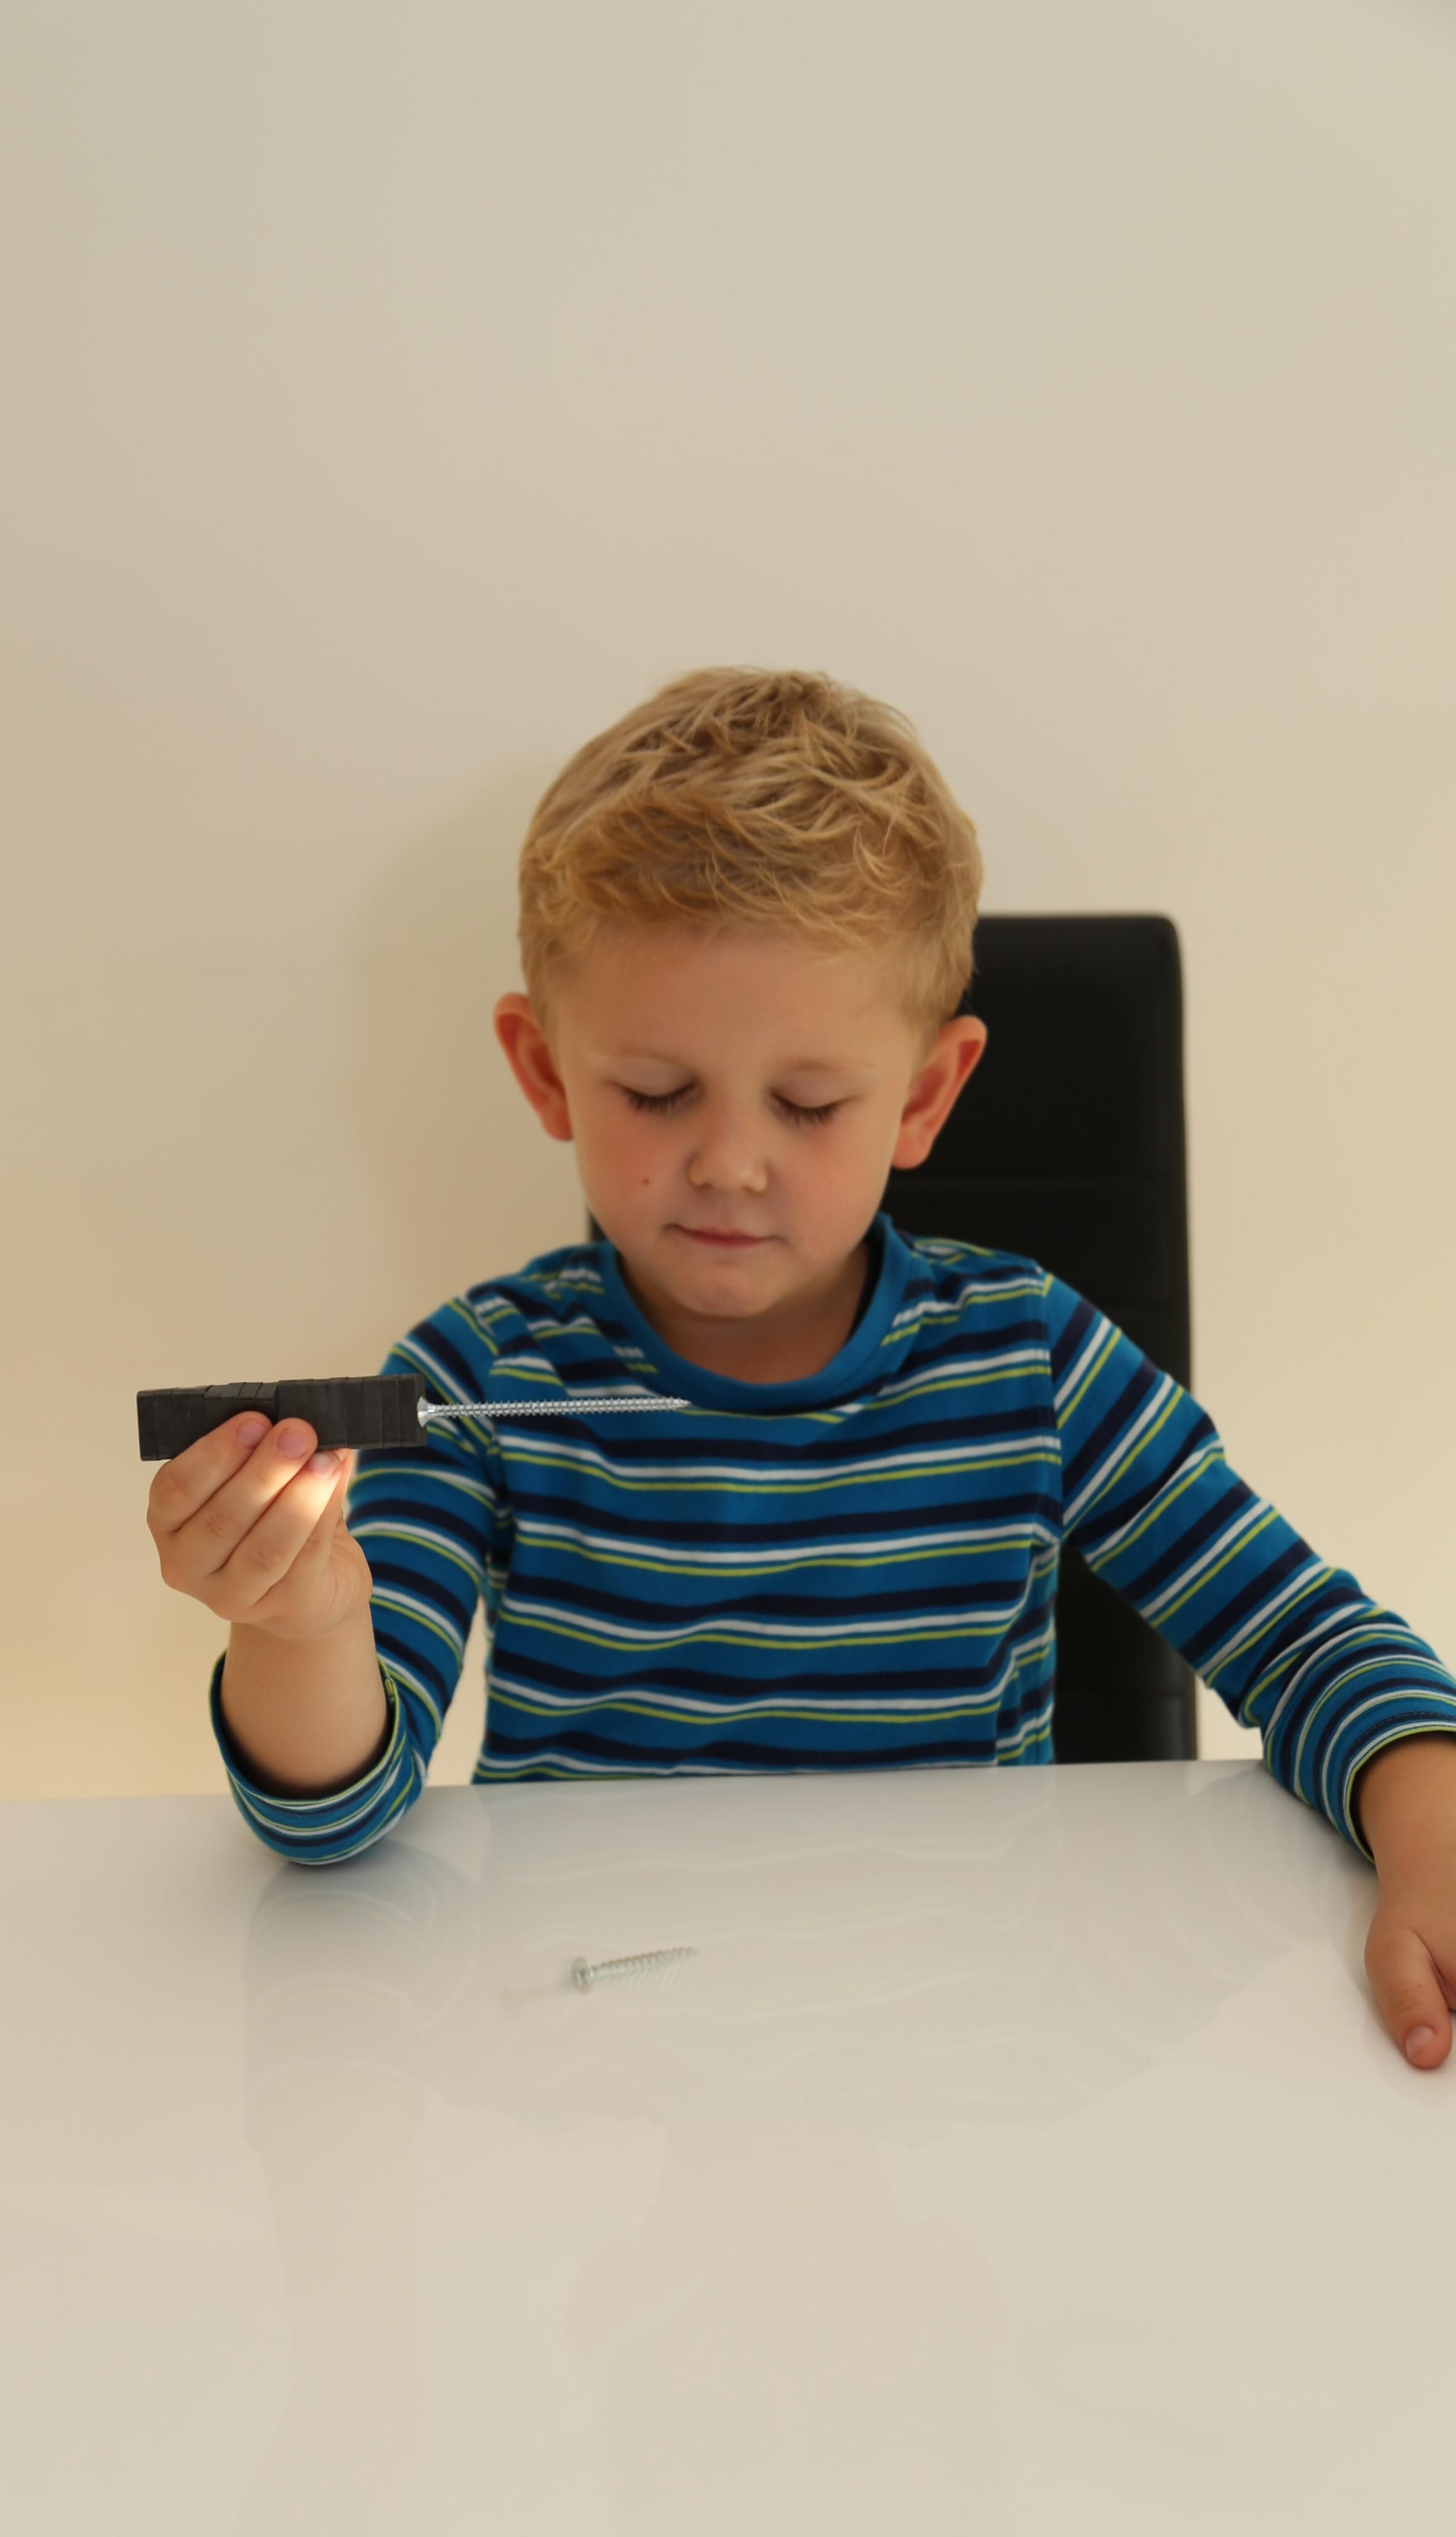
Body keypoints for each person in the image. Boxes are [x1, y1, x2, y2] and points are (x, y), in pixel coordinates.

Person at [146, 666, 1456, 2070]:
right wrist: (299, 1623)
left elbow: (1306, 1642)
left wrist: (1435, 1847)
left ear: (925, 1095)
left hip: (955, 2052)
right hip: (598, 2050)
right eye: (656, 1092)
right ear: (544, 1070)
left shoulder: (1035, 1361)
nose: (730, 1161)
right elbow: (334, 1817)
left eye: (810, 1102)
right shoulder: (475, 1382)